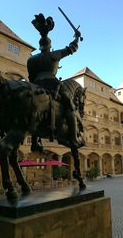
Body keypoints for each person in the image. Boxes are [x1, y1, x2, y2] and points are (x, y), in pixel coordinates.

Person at [27, 16, 82, 147]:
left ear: (40, 47)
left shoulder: (32, 59)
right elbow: (72, 48)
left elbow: (31, 77)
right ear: (49, 46)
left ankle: (35, 141)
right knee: (70, 105)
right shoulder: (54, 55)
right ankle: (73, 138)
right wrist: (76, 37)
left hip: (36, 85)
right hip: (52, 84)